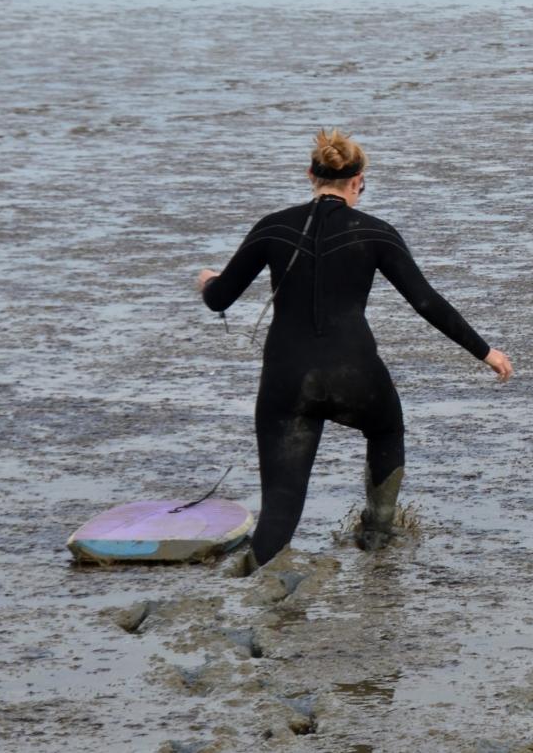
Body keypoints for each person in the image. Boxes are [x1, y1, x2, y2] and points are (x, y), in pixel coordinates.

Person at [196, 130, 512, 567]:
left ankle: (260, 582)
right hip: (355, 372)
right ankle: (379, 535)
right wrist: (486, 352)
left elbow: (219, 299)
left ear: (310, 174)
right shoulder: (376, 233)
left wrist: (207, 278)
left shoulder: (272, 227)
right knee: (385, 429)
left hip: (287, 380)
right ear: (358, 181)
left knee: (281, 506)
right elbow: (426, 301)